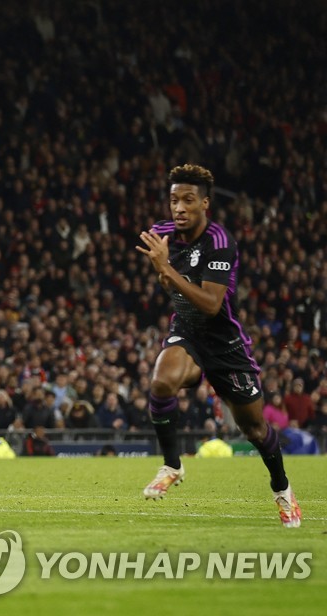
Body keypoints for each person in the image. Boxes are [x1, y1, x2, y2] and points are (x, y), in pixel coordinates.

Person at [136, 163, 300, 527]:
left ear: (205, 203)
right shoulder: (162, 234)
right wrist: (163, 270)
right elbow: (168, 281)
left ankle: (283, 490)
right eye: (174, 199)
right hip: (188, 334)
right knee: (161, 381)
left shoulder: (219, 241)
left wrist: (168, 271)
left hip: (226, 344)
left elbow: (211, 304)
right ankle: (172, 465)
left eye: (188, 200)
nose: (178, 207)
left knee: (255, 430)